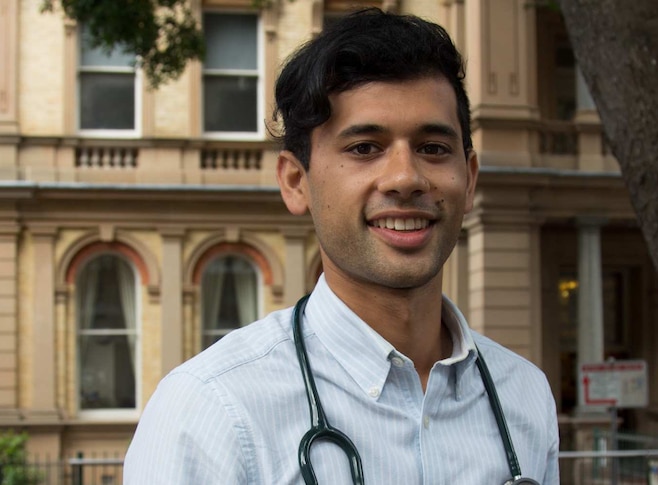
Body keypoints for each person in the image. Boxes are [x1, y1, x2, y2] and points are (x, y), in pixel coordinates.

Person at [124, 8, 559, 484]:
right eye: (364, 148)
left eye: (433, 148)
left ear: (469, 179)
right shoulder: (213, 410)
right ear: (296, 182)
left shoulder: (523, 396)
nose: (405, 178)